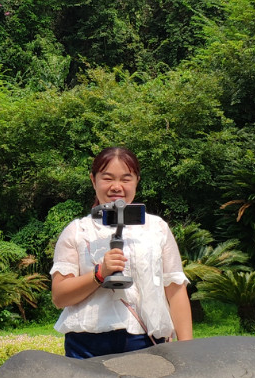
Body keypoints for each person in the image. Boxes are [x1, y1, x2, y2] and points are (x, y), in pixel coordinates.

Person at [49, 146, 193, 358]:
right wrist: (100, 273)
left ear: (136, 181)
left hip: (146, 342)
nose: (117, 187)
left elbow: (175, 289)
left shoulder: (157, 228)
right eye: (107, 178)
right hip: (87, 345)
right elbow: (60, 297)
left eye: (126, 179)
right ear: (93, 180)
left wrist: (187, 350)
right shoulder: (78, 231)